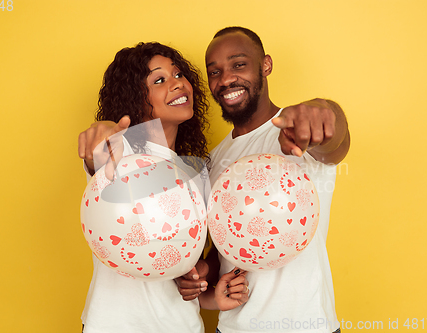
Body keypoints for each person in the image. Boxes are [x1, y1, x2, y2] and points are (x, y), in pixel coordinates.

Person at [177, 26, 350, 333]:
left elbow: (334, 143)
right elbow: (224, 244)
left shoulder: (299, 130)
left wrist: (324, 112)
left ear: (266, 65)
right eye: (214, 71)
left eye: (238, 64)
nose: (226, 78)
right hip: (233, 327)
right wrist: (203, 272)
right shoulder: (214, 160)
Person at [77, 42, 249, 333]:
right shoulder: (121, 152)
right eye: (159, 80)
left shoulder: (197, 173)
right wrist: (103, 131)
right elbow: (100, 156)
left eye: (179, 75)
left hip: (182, 326)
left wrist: (204, 288)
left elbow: (187, 265)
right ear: (136, 98)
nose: (177, 84)